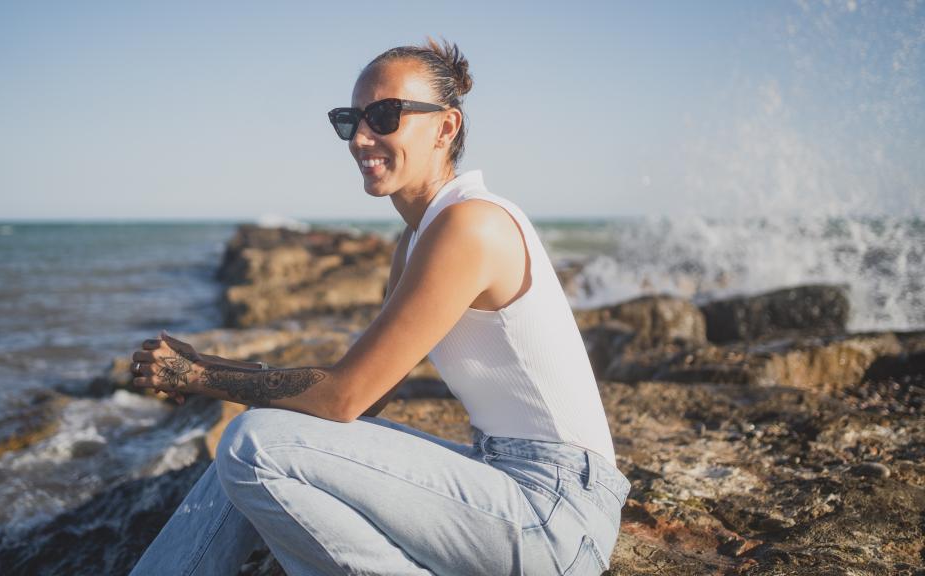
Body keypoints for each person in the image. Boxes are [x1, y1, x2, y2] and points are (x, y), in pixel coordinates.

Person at [127, 37, 631, 576]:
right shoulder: (417, 240)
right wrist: (206, 368)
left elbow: (345, 397)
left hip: (555, 514)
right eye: (351, 120)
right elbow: (361, 395)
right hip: (503, 481)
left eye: (385, 115)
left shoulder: (472, 225)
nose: (362, 137)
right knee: (265, 428)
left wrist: (198, 375)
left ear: (446, 128)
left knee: (256, 445)